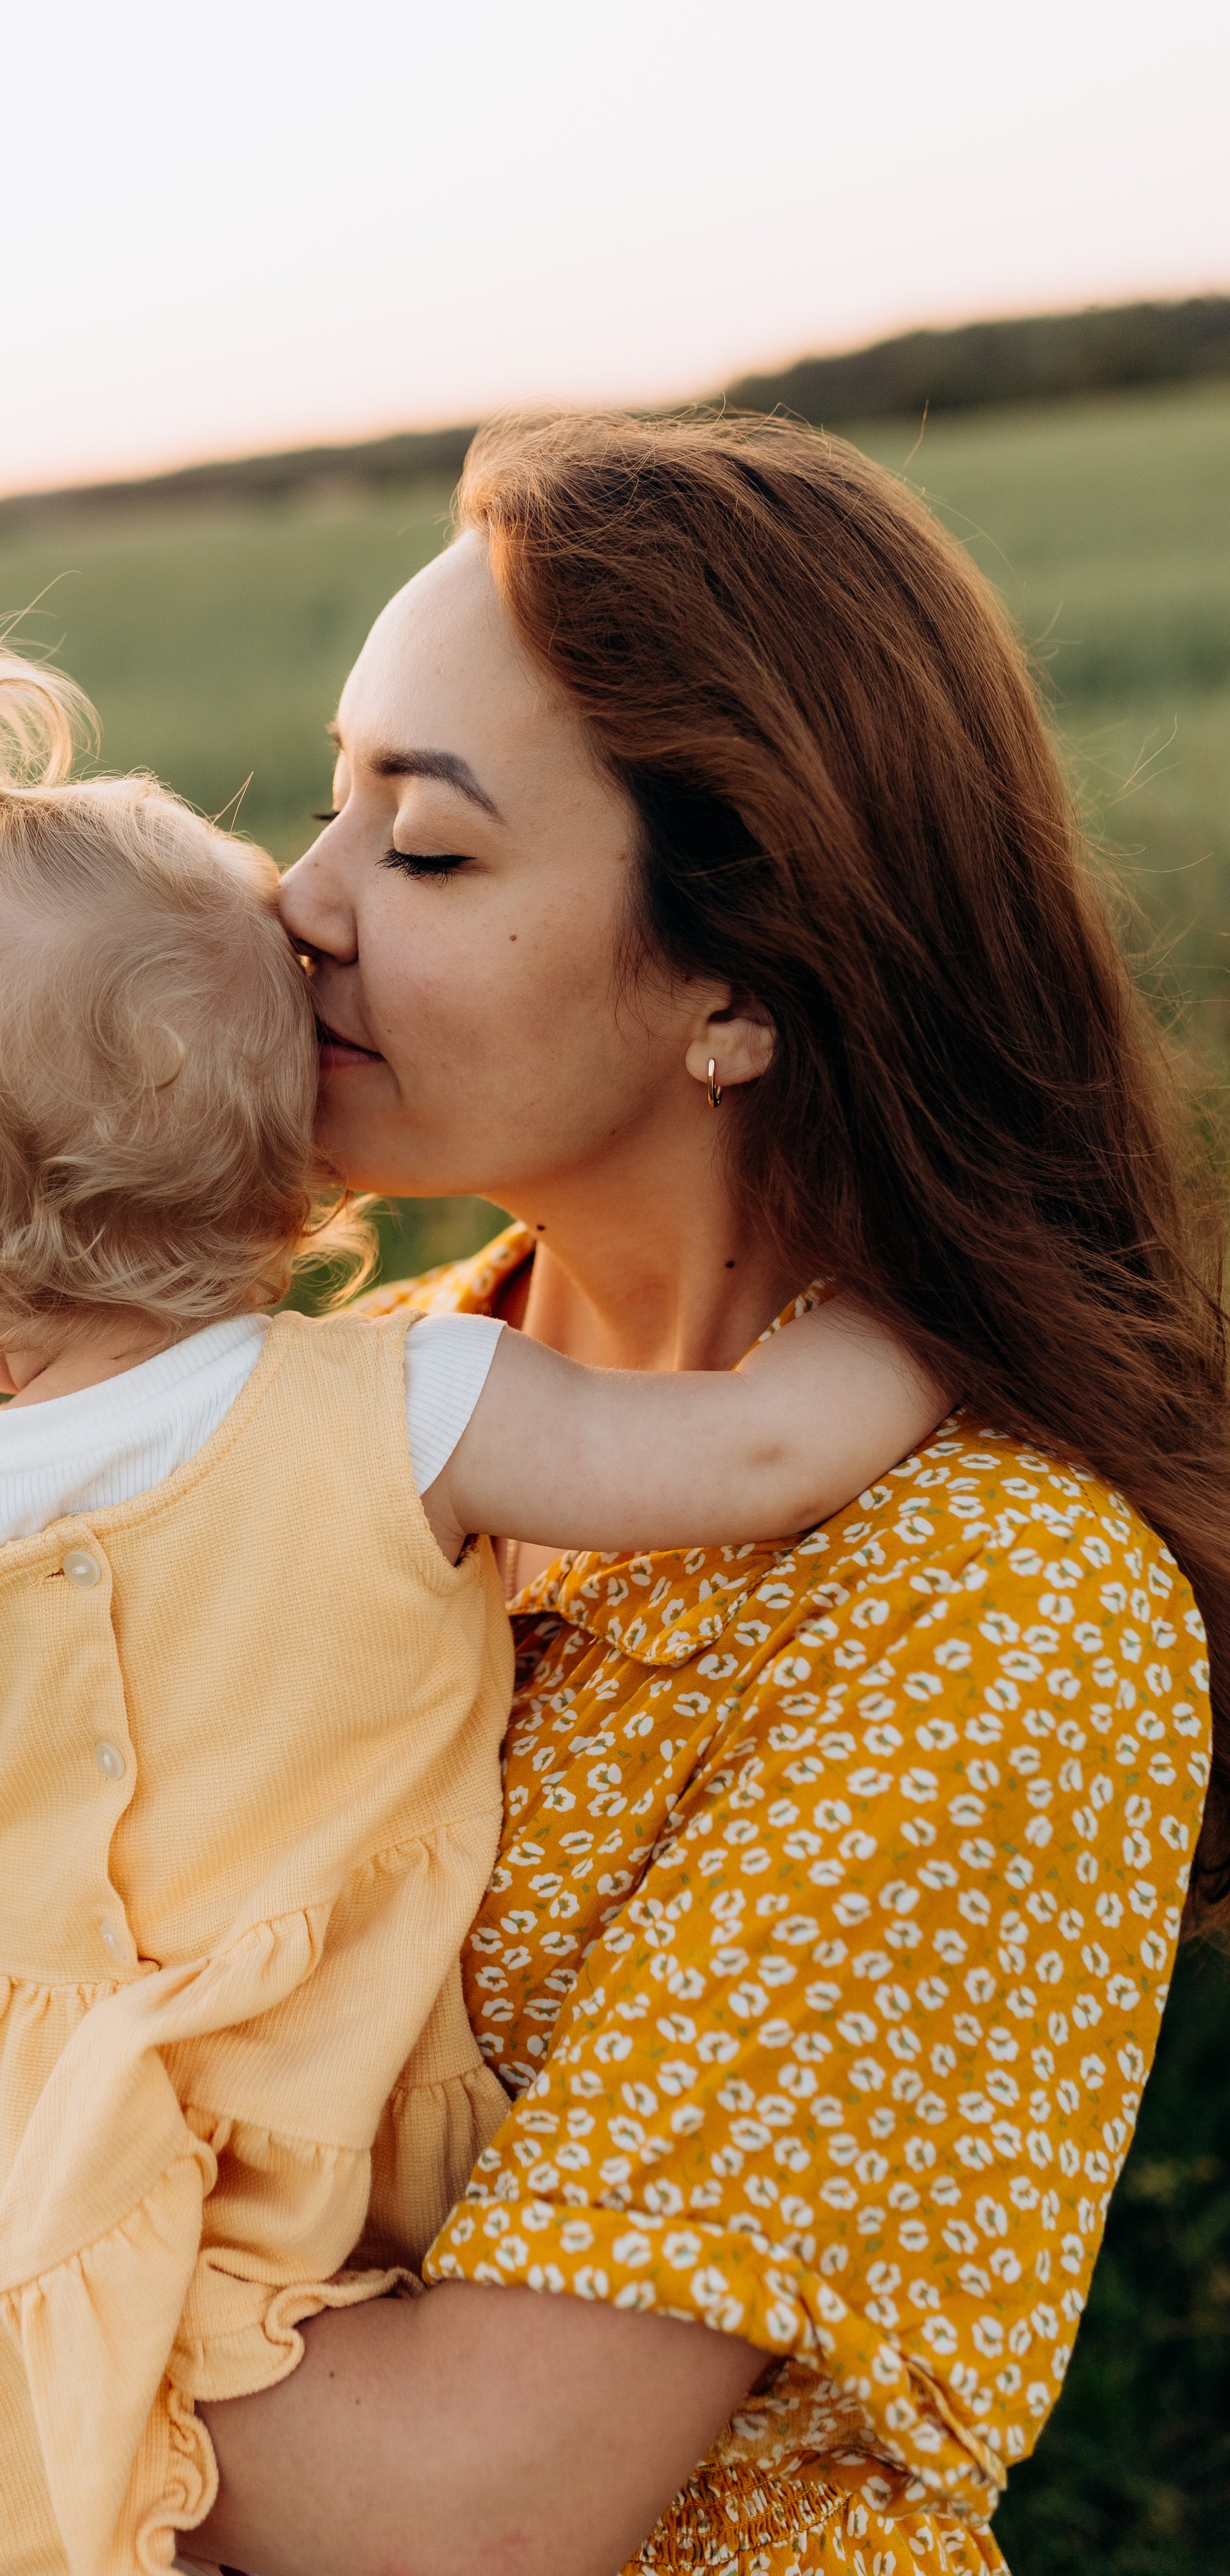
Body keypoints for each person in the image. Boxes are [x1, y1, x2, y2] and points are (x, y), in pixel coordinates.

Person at [0, 635, 942, 2576]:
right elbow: (753, 1460)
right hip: (289, 2141)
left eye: (424, 846)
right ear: (284, 1156)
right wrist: (930, 1314)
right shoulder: (405, 1404)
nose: (323, 890)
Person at [192, 410, 1227, 2576]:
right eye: (328, 804)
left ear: (742, 977)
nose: (298, 904)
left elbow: (452, 2511)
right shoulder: (325, 1413)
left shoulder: (997, 1610)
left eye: (432, 850)